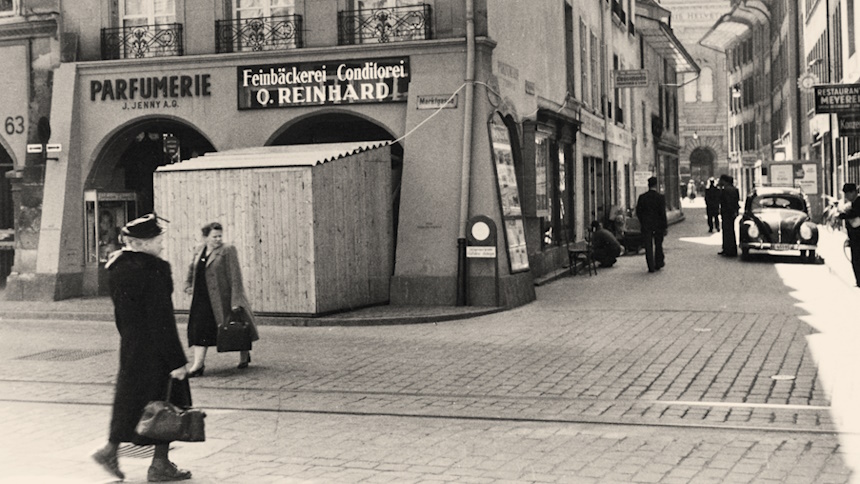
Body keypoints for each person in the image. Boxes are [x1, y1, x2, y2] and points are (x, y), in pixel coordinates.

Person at [92, 213, 193, 482]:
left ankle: (110, 450)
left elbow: (122, 317)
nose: (161, 245)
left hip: (132, 345)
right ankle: (160, 464)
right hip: (158, 351)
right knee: (171, 403)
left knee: (130, 399)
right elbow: (162, 319)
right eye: (157, 240)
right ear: (141, 243)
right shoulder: (154, 270)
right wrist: (177, 361)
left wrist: (131, 339)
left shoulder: (118, 268)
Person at [185, 222, 259, 376]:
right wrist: (188, 284)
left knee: (236, 325)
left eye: (220, 236)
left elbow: (235, 276)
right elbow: (193, 268)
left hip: (222, 297)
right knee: (200, 330)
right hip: (201, 297)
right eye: (214, 236)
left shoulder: (227, 250)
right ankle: (198, 365)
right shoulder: (199, 249)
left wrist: (236, 300)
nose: (218, 239)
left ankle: (244, 355)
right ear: (205, 237)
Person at [635, 176, 668, 273]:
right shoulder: (660, 198)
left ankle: (650, 266)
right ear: (656, 185)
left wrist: (642, 221)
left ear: (648, 185)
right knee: (658, 244)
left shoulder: (642, 197)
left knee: (648, 246)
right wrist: (664, 226)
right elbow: (663, 213)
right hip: (658, 226)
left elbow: (638, 212)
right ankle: (658, 263)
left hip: (646, 225)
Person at [838, 183, 860, 287]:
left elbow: (853, 213)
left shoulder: (858, 202)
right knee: (855, 260)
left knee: (857, 260)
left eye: (847, 194)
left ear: (853, 192)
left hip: (858, 238)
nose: (846, 197)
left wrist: (841, 215)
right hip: (854, 238)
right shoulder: (853, 203)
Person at [718, 175, 740, 256]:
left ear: (724, 181)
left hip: (727, 212)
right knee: (730, 230)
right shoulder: (734, 189)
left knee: (727, 231)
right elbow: (736, 201)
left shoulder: (726, 190)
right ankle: (731, 249)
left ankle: (728, 250)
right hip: (731, 212)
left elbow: (727, 202)